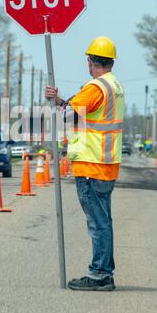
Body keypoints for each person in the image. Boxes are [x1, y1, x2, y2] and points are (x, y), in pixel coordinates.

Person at [45, 36, 125, 291]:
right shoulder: (115, 86)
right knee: (103, 221)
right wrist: (60, 101)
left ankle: (100, 274)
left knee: (98, 223)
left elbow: (69, 117)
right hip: (106, 163)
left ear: (91, 62)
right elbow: (78, 110)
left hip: (92, 165)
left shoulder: (95, 87)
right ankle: (104, 272)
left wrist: (58, 108)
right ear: (111, 61)